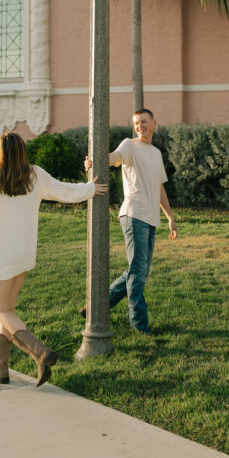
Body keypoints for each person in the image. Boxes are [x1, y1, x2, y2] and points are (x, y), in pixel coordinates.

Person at [0, 130, 108, 386]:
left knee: (0, 311)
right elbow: (63, 191)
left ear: (1, 152)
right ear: (22, 150)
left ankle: (40, 353)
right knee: (8, 311)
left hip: (2, 255)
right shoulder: (36, 174)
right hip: (24, 253)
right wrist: (90, 189)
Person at [84, 108, 177, 334]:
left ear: (154, 122)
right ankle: (140, 326)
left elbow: (159, 187)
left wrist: (170, 217)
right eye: (136, 123)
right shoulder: (129, 145)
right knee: (137, 271)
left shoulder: (156, 153)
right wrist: (94, 161)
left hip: (151, 218)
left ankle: (96, 307)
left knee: (139, 271)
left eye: (144, 122)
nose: (140, 126)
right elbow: (113, 158)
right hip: (134, 214)